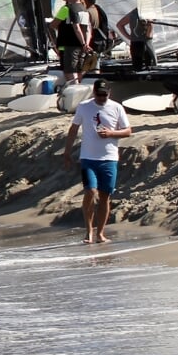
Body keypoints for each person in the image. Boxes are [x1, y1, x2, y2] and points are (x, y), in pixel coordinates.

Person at [65, 80, 133, 244]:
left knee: (105, 196)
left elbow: (128, 131)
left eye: (105, 95)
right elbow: (74, 129)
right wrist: (67, 152)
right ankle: (89, 231)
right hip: (88, 158)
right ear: (93, 92)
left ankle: (100, 233)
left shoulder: (116, 107)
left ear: (109, 93)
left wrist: (111, 133)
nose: (102, 97)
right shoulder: (84, 106)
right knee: (91, 191)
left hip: (109, 158)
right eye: (99, 94)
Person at [50, 0, 88, 85]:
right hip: (80, 46)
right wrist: (85, 44)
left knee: (70, 72)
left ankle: (74, 92)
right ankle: (79, 90)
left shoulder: (67, 9)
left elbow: (53, 25)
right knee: (78, 72)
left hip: (67, 45)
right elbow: (87, 29)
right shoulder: (84, 9)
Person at [80, 0, 114, 73]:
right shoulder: (98, 9)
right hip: (101, 41)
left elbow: (87, 29)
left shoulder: (87, 12)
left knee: (90, 67)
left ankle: (93, 80)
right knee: (95, 63)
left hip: (92, 42)